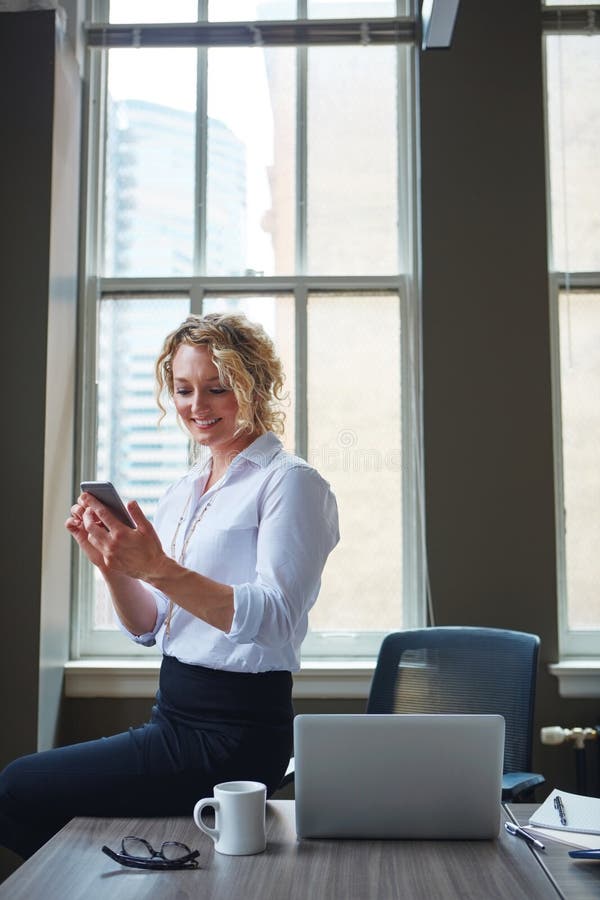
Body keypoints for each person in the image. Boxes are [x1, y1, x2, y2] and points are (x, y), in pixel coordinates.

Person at [0, 312, 339, 860]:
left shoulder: (292, 483)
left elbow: (274, 616)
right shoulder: (182, 490)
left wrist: (155, 565)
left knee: (16, 787)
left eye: (216, 388)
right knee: (27, 793)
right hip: (175, 712)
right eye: (182, 389)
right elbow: (150, 625)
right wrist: (112, 563)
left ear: (253, 386)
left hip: (237, 733)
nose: (196, 407)